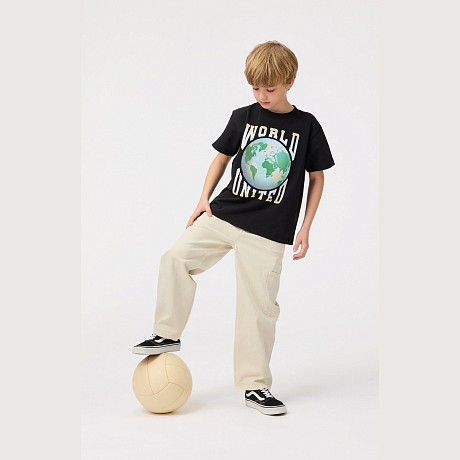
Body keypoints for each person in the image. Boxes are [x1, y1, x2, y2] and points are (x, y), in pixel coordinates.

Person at [132, 40, 335, 416]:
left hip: (269, 230)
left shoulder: (306, 125)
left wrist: (306, 226)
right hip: (225, 214)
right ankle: (166, 333)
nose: (262, 96)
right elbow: (221, 157)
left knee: (258, 307)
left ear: (290, 82)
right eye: (255, 88)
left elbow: (317, 177)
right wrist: (203, 198)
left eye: (269, 89)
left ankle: (254, 386)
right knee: (175, 257)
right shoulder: (243, 117)